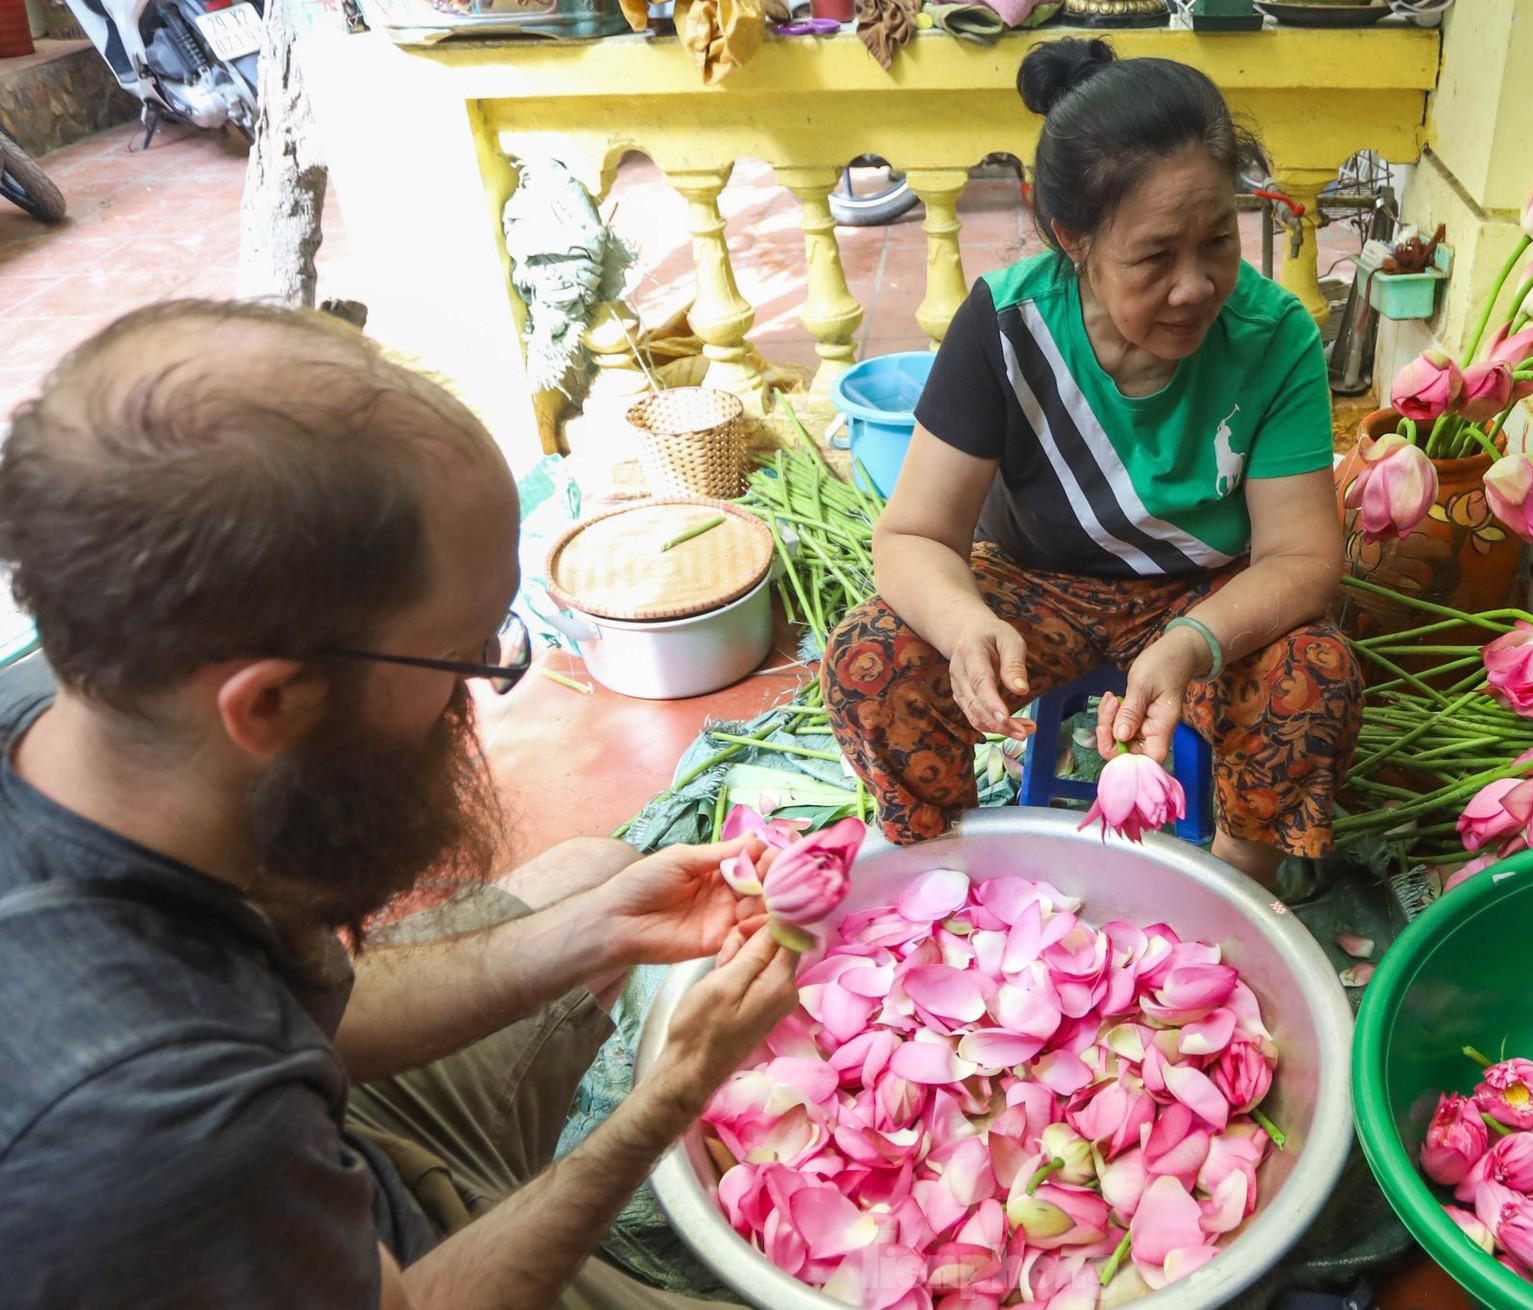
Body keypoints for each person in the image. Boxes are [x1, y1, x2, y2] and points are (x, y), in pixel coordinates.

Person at [0, 301, 800, 1310]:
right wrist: (666, 1096)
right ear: (272, 702)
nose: (475, 689)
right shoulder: (148, 1120)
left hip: (318, 1166)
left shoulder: (78, 702)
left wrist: (591, 934)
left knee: (590, 877)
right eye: (465, 652)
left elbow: (306, 1010)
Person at [824, 38, 1363, 887]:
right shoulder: (1008, 326)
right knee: (874, 663)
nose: (1196, 286)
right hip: (1039, 585)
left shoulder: (1277, 337)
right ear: (1073, 238)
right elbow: (914, 534)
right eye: (1155, 257)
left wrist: (1194, 641)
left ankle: (1240, 880)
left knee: (1313, 674)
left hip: (1207, 590)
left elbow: (1302, 559)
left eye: (1219, 240)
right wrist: (966, 627)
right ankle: (942, 874)